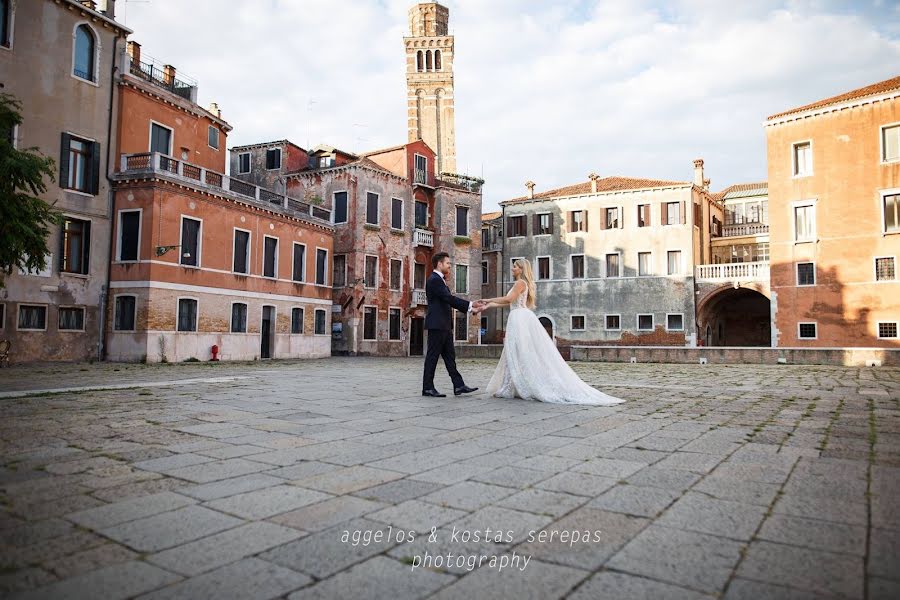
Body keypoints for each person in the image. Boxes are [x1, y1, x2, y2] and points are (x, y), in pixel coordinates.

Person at [479, 258, 625, 405]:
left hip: (519, 319)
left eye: (515, 266)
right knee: (515, 352)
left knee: (517, 352)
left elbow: (508, 299)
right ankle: (511, 386)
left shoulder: (520, 283)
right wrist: (488, 305)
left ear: (521, 269)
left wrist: (487, 299)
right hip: (520, 317)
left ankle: (513, 386)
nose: (512, 269)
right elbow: (508, 302)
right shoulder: (522, 283)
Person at [422, 252, 483, 397]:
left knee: (450, 357)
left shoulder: (439, 280)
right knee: (432, 357)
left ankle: (459, 385)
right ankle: (427, 388)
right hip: (437, 325)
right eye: (448, 263)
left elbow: (447, 300)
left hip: (444, 325)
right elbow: (448, 298)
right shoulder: (434, 280)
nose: (449, 266)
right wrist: (470, 305)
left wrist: (471, 309)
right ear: (439, 264)